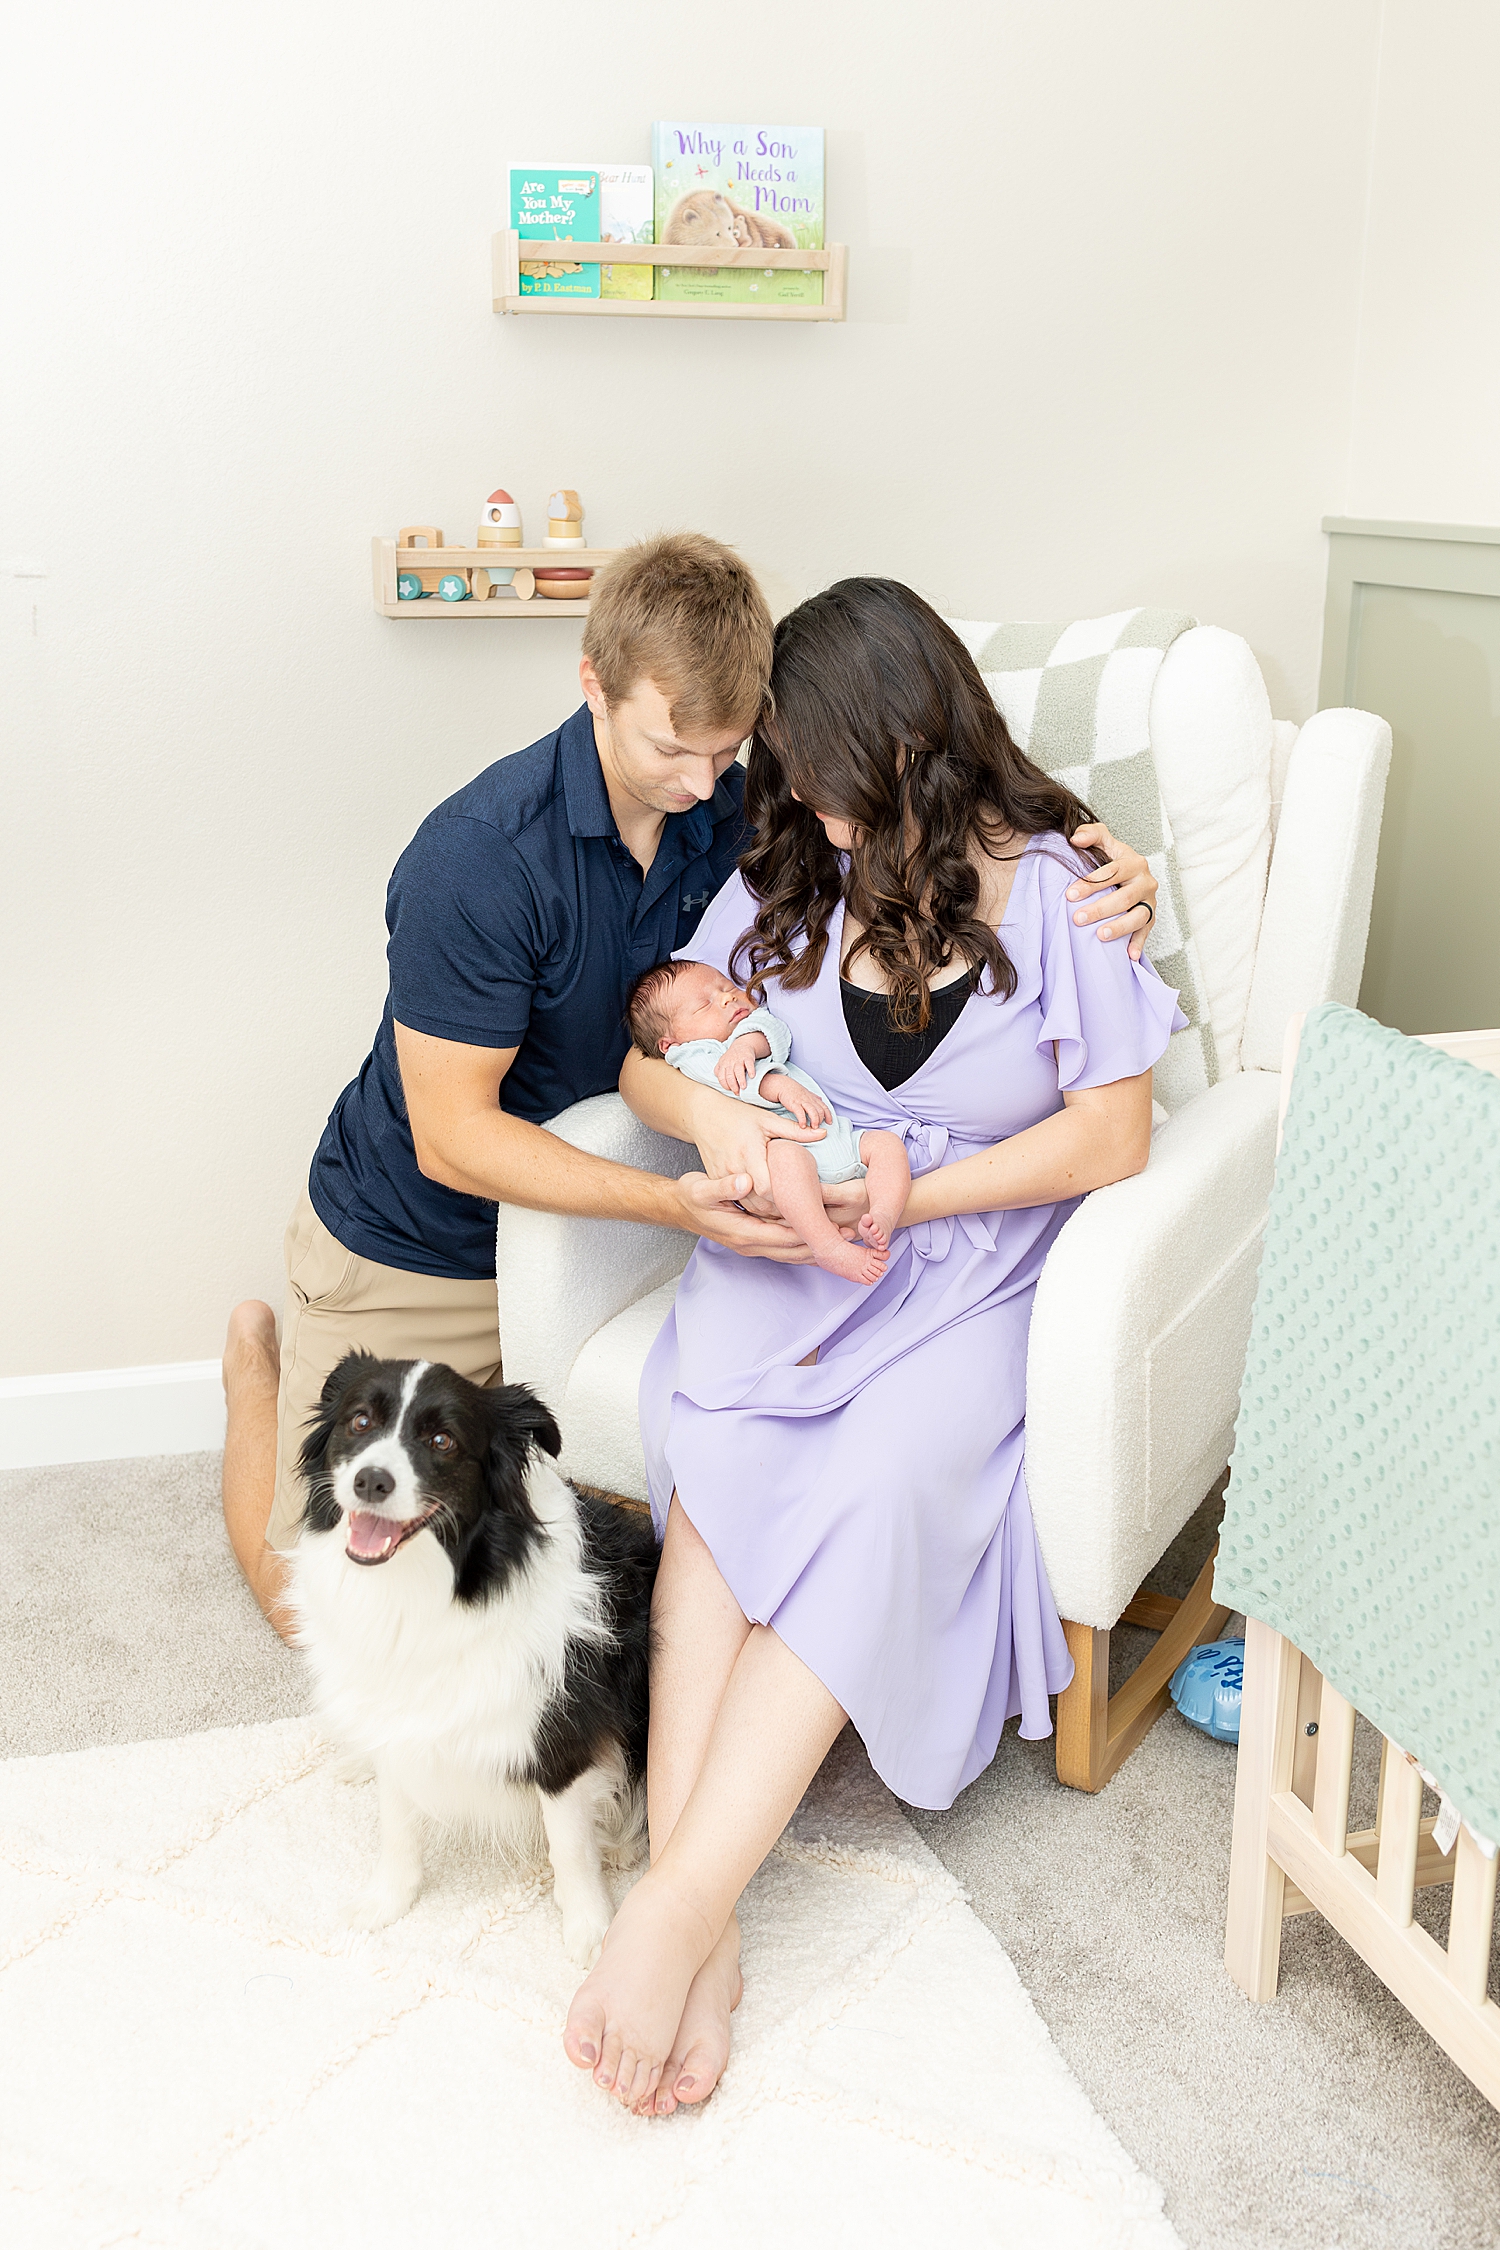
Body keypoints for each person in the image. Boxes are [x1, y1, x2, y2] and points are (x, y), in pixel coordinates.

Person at [222, 537, 1159, 1632]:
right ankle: (254, 1371)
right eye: (674, 749)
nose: (704, 784)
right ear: (594, 686)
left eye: (729, 751)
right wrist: (674, 1196)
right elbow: (452, 1138)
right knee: (326, 1606)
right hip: (423, 1232)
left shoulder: (742, 798)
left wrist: (1117, 869)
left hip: (629, 1218)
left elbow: (940, 816)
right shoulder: (474, 858)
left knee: (534, 1559)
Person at [560, 577, 1185, 2121]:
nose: (806, 801)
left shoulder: (1058, 889)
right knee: (715, 1466)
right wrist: (714, 1113)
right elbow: (655, 1053)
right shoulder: (788, 876)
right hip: (789, 1263)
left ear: (909, 744)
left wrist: (913, 1188)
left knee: (893, 1482)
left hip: (966, 1265)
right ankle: (690, 1917)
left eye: (823, 769)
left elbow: (1111, 1135)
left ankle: (673, 1913)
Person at [625, 956, 910, 1284]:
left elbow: (775, 1030)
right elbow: (730, 1082)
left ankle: (884, 1215)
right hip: (784, 1152)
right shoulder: (690, 1055)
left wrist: (745, 1045)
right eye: (705, 1005)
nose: (727, 997)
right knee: (789, 1161)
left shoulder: (748, 1029)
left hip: (836, 1140)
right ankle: (827, 1244)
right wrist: (779, 1085)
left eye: (726, 987)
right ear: (670, 1043)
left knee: (886, 1145)